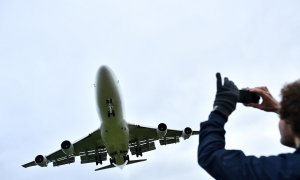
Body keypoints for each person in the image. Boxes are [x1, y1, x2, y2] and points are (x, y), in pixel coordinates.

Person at [198, 73, 300, 180]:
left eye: (282, 116)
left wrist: (220, 110)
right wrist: (280, 109)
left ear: (288, 120)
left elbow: (210, 156)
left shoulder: (285, 171)